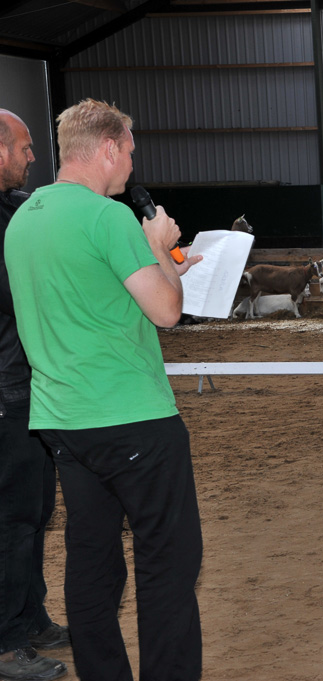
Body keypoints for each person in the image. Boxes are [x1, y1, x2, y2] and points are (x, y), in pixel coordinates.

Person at [5, 99, 205, 681]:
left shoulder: (25, 217)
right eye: (131, 151)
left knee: (92, 564)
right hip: (133, 417)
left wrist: (158, 265)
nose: (132, 165)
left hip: (64, 421)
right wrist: (157, 250)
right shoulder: (108, 218)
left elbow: (84, 297)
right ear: (109, 147)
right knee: (167, 566)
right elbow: (167, 313)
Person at [0, 110, 69, 681]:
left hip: (26, 384)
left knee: (34, 513)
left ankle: (32, 619)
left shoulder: (12, 208)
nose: (30, 157)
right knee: (12, 518)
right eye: (23, 147)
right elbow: (16, 290)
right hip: (4, 389)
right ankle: (6, 644)